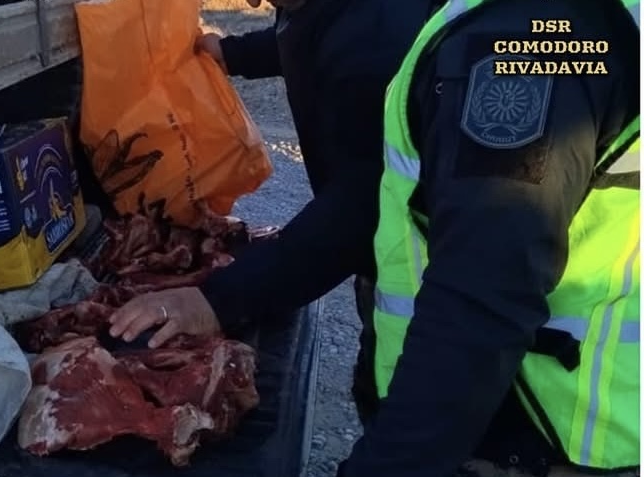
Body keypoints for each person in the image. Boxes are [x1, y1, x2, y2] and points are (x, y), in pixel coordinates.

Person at [112, 0, 641, 476]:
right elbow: (323, 31)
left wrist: (223, 298)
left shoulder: (524, 41)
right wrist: (236, 52)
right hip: (505, 399)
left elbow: (478, 301)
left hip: (537, 424)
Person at [109, 0, 435, 421]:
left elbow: (359, 208)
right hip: (385, 245)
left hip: (428, 271)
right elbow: (306, 35)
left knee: (409, 410)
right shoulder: (326, 11)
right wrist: (234, 52)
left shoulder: (377, 38)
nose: (251, 3)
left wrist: (219, 300)